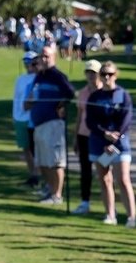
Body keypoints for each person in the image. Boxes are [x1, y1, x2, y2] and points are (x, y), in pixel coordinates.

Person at [87, 60, 136, 226]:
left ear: (116, 75)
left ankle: (131, 217)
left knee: (122, 179)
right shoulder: (95, 96)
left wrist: (116, 135)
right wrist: (104, 134)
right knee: (104, 179)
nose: (107, 77)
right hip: (100, 142)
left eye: (110, 74)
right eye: (103, 74)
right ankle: (110, 214)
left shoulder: (123, 94)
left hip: (119, 144)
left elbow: (127, 119)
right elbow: (90, 121)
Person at [28, 42, 76, 206]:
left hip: (53, 123)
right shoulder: (40, 76)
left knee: (55, 162)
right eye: (42, 56)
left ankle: (57, 195)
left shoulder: (57, 75)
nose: (44, 59)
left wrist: (60, 106)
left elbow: (70, 93)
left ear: (54, 57)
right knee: (42, 161)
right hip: (38, 123)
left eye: (47, 56)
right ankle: (50, 188)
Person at [72, 60, 101, 214]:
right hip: (84, 135)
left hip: (101, 137)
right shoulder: (83, 92)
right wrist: (75, 137)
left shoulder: (104, 91)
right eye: (88, 72)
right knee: (85, 170)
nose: (91, 75)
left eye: (94, 73)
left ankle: (109, 205)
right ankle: (85, 202)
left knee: (104, 170)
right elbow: (79, 116)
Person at [12, 51, 39, 188]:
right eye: (26, 62)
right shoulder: (20, 79)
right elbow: (16, 99)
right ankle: (32, 175)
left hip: (33, 118)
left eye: (31, 62)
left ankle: (39, 175)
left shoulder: (39, 78)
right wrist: (14, 116)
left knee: (36, 149)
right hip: (20, 118)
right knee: (26, 149)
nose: (28, 65)